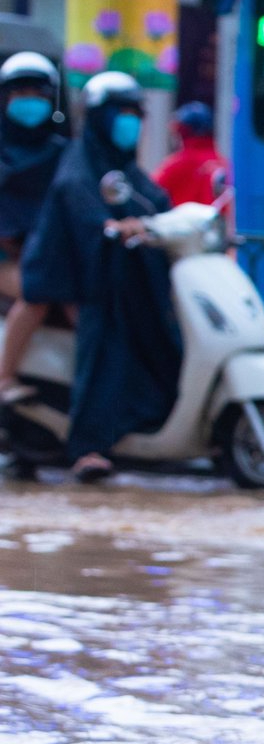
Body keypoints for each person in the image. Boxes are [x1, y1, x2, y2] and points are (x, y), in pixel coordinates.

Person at [16, 71, 182, 481]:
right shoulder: (78, 166)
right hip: (74, 276)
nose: (129, 122)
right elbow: (83, 207)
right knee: (104, 338)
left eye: (134, 113)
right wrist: (110, 228)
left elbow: (152, 200)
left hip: (114, 272)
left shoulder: (122, 167)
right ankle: (86, 444)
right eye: (120, 113)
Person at [0, 51, 67, 402]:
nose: (30, 103)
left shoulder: (62, 152)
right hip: (9, 260)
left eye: (38, 95)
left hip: (53, 253)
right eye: (20, 94)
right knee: (37, 292)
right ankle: (5, 378)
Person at [153, 102, 230, 208]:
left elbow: (151, 195)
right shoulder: (224, 164)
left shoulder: (175, 165)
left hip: (179, 224)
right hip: (216, 224)